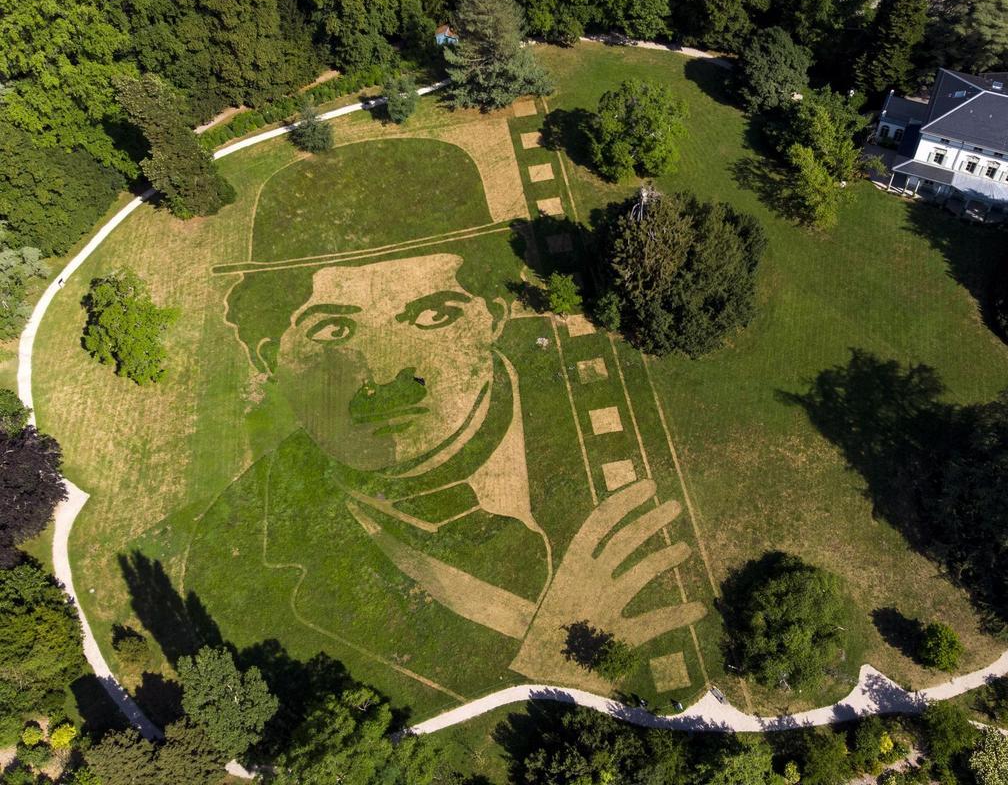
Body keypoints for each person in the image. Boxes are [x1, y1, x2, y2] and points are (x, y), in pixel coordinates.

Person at [194, 242, 704, 691]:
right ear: (270, 358)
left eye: (434, 315)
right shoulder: (220, 563)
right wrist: (555, 656)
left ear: (495, 319)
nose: (388, 371)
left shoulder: (592, 401)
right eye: (334, 330)